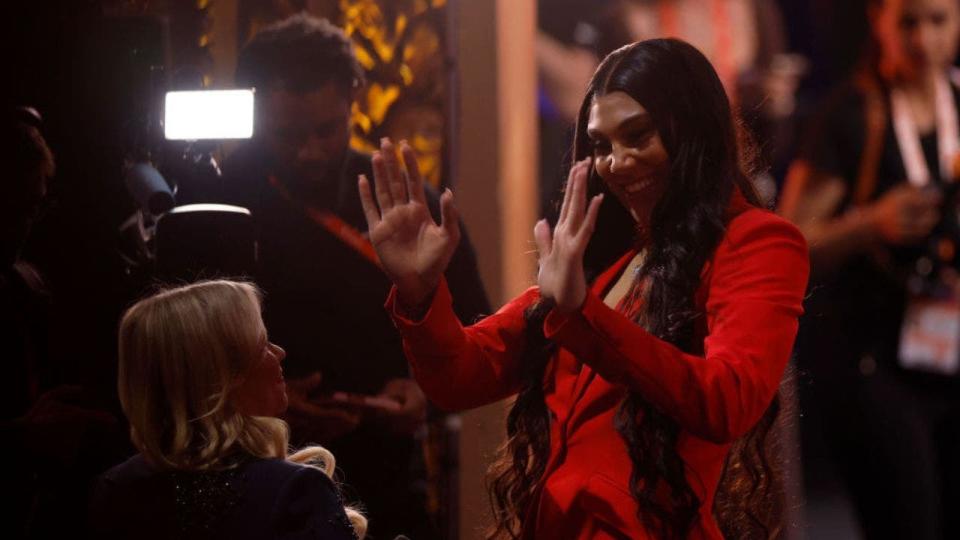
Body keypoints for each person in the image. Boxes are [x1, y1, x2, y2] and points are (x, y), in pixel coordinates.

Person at [360, 39, 809, 539]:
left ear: (692, 132)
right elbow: (460, 377)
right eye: (600, 145)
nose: (616, 162)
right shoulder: (602, 263)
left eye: (637, 136)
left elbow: (727, 401)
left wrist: (581, 313)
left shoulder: (757, 241)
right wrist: (421, 292)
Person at [223, 14, 490, 539]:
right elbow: (175, 358)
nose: (310, 152)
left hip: (385, 474)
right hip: (249, 478)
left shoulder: (401, 199)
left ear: (354, 95)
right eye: (286, 135)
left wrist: (424, 393)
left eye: (327, 129)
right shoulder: (219, 197)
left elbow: (478, 328)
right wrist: (255, 401)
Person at [779, 0, 960, 537]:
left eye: (939, 21)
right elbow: (788, 243)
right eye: (908, 22)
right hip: (874, 364)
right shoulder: (850, 115)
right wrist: (867, 224)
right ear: (877, 21)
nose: (924, 40)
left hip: (948, 350)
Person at [89, 280, 366, 539]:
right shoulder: (294, 490)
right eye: (261, 345)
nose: (279, 352)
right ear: (224, 375)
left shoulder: (115, 490)